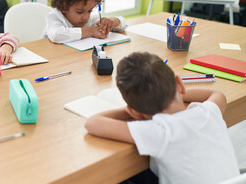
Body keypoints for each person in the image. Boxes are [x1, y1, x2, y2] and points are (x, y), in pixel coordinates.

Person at [85, 52, 239, 184]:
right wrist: (177, 91)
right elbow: (217, 94)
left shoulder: (158, 131)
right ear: (180, 83)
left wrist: (131, 111)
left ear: (135, 112)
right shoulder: (207, 112)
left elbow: (92, 123)